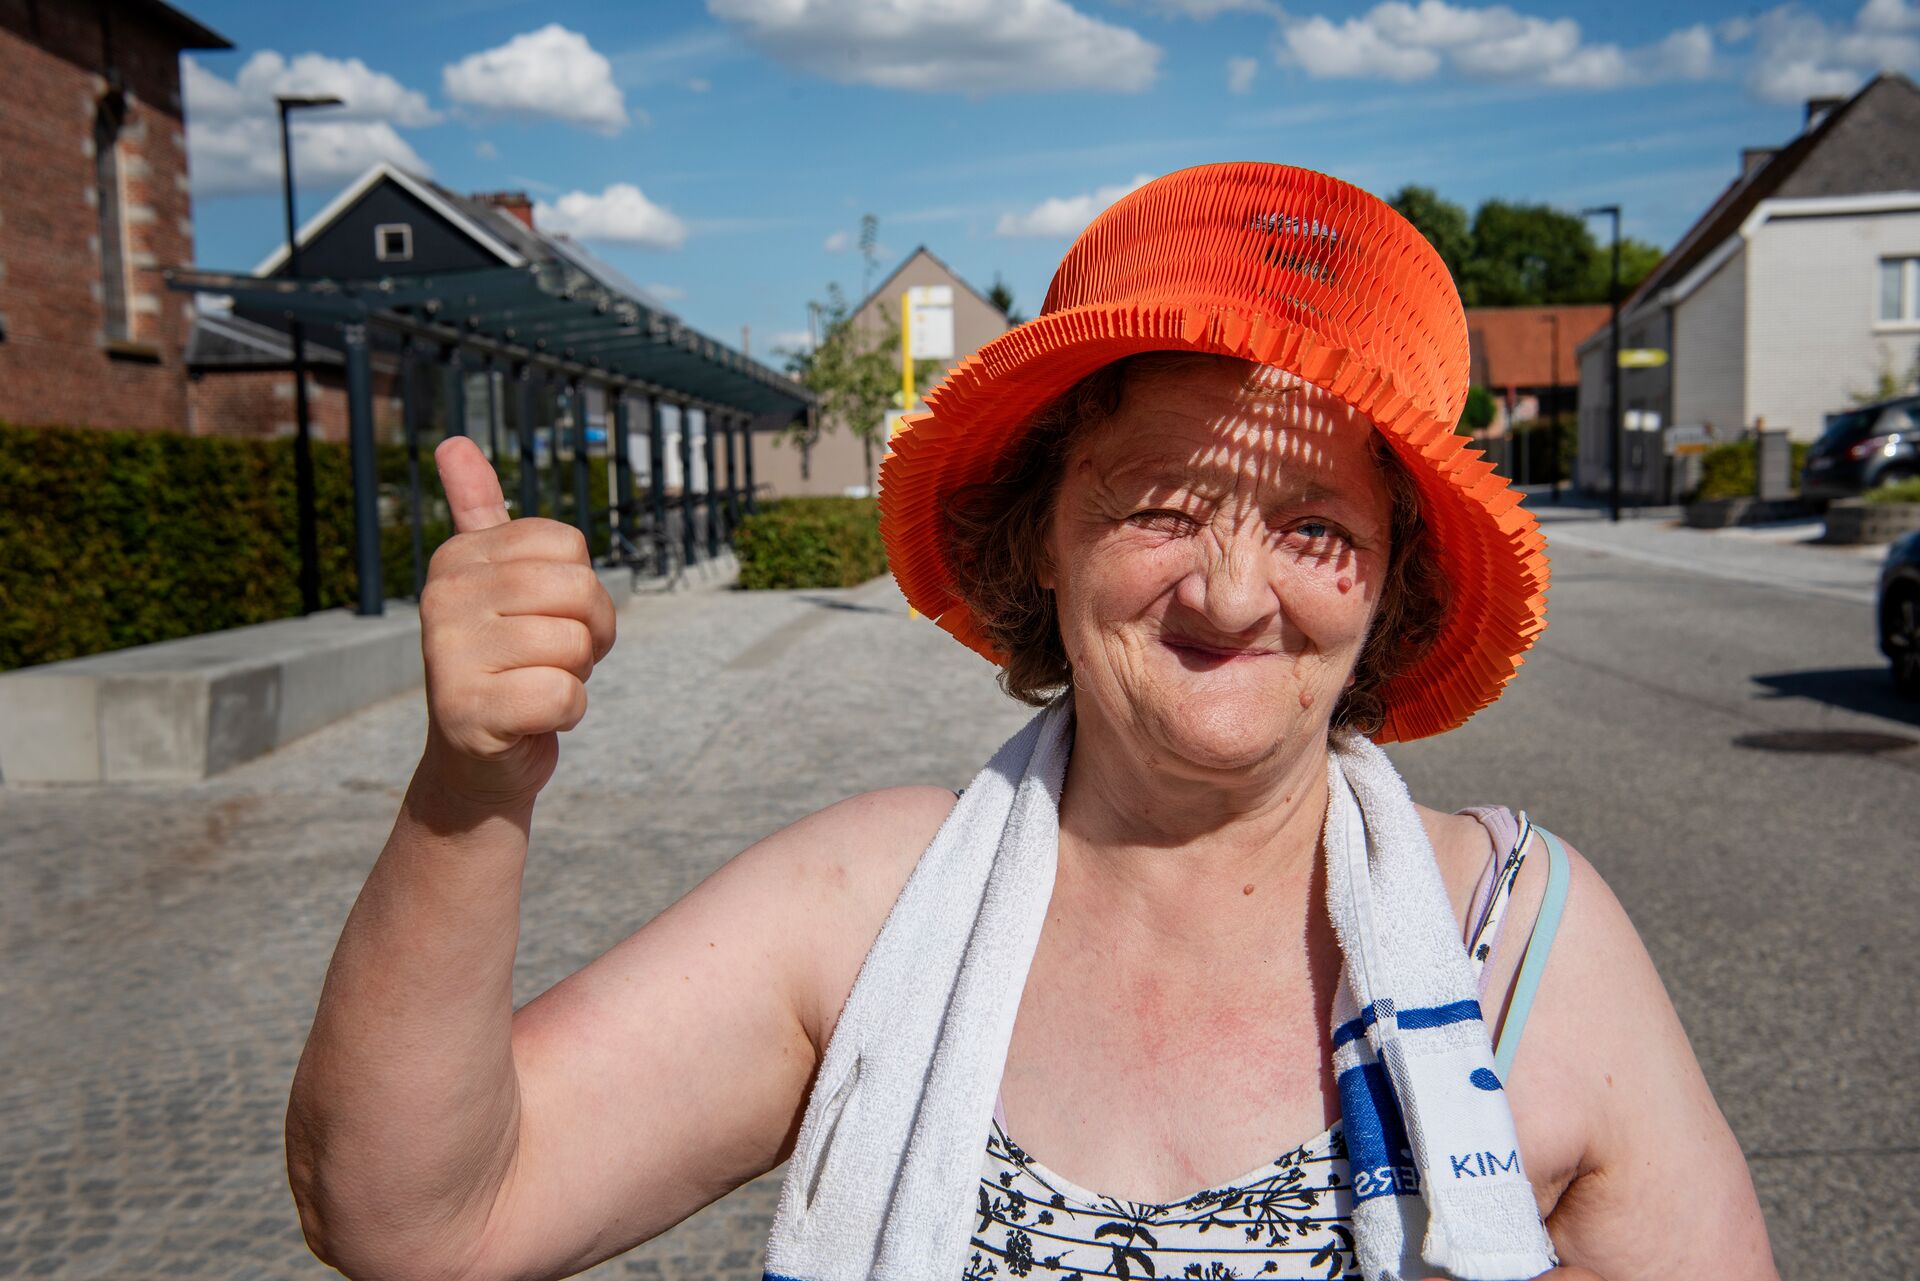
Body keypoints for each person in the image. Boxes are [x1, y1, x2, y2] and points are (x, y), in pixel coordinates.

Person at [286, 164, 1776, 1281]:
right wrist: (470, 787)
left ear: (1394, 575)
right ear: (1045, 531)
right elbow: (412, 1215)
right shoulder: (867, 910)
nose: (1233, 590)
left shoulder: (1525, 948)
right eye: (1160, 504)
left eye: (1317, 524)